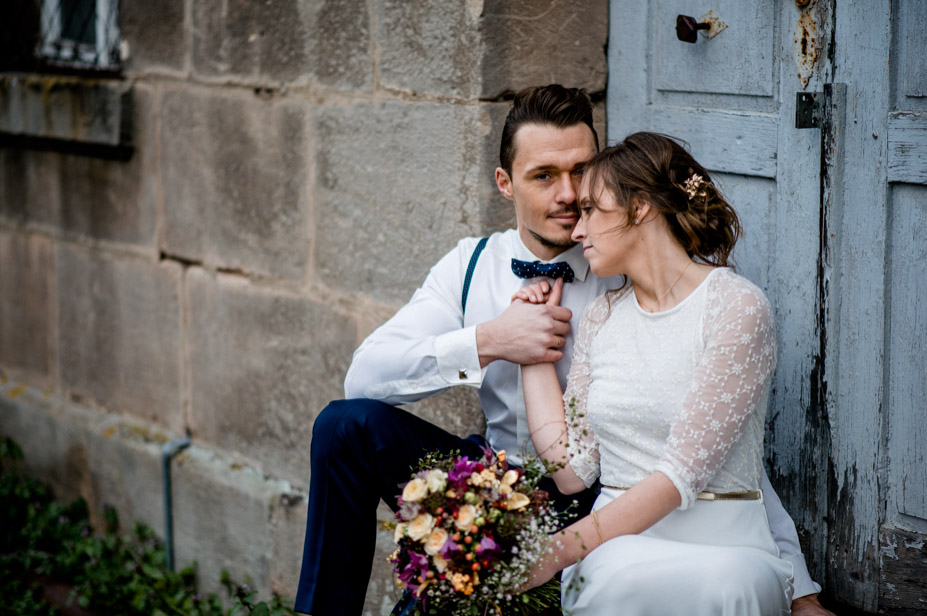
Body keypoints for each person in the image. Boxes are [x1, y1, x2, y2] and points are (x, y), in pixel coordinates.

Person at [294, 86, 832, 616]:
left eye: (582, 173)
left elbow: (710, 439)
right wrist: (491, 341)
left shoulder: (626, 273)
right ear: (506, 184)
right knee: (344, 426)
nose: (570, 195)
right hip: (496, 479)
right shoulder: (469, 265)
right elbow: (364, 377)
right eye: (545, 176)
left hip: (594, 500)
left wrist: (796, 581)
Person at [513, 131, 804, 614]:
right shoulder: (602, 318)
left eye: (591, 210)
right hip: (618, 546)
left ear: (640, 207)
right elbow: (571, 471)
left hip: (727, 545)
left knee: (729, 585)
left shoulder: (735, 306)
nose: (577, 230)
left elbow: (679, 475)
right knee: (616, 577)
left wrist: (552, 553)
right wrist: (532, 350)